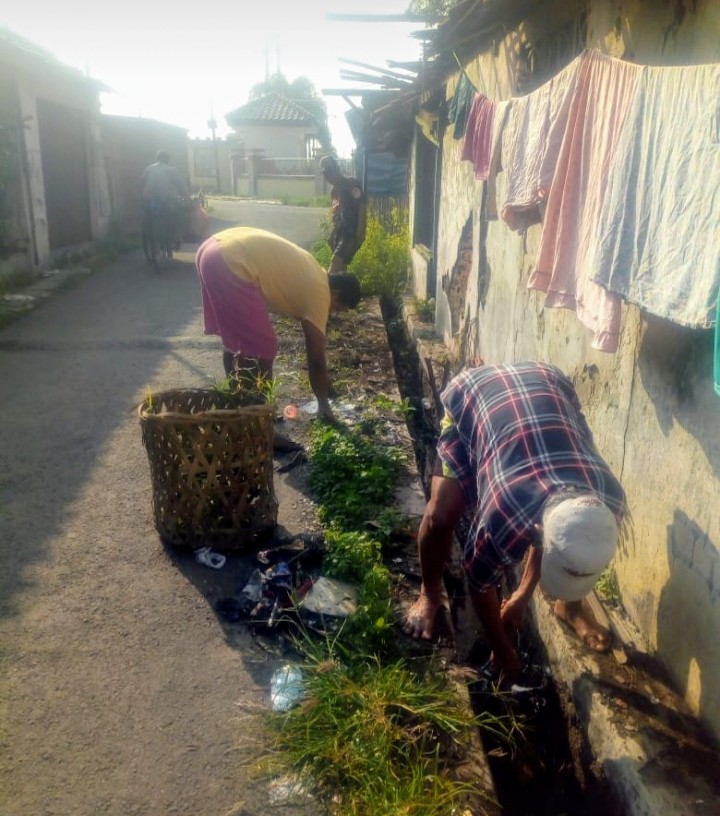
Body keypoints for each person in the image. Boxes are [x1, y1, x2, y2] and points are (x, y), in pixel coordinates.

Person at [404, 361, 627, 683]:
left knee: (576, 541)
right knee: (441, 514)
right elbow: (479, 582)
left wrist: (521, 597)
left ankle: (569, 608)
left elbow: (564, 535)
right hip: (476, 395)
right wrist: (503, 648)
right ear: (536, 531)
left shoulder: (610, 501)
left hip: (551, 392)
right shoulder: (503, 515)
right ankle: (430, 593)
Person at [195, 226, 361, 423]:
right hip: (230, 261)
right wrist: (324, 405)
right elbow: (316, 358)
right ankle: (260, 417)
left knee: (236, 339)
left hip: (211, 249)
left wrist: (328, 387)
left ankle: (238, 405)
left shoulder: (314, 271)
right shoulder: (321, 294)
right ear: (337, 294)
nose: (332, 312)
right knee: (263, 346)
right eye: (338, 308)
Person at [319, 155, 367, 273]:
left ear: (337, 168)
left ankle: (325, 289)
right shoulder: (334, 192)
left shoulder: (352, 183)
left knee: (335, 265)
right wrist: (332, 234)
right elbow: (336, 214)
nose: (329, 177)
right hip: (340, 234)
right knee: (341, 269)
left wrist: (359, 233)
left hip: (350, 233)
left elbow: (362, 206)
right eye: (326, 174)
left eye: (330, 172)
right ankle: (343, 290)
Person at [141, 150, 190, 250]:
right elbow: (181, 186)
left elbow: (142, 182)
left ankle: (154, 239)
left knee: (149, 216)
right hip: (166, 200)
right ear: (168, 160)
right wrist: (187, 198)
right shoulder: (171, 170)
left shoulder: (148, 169)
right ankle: (177, 237)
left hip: (149, 201)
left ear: (157, 159)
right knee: (181, 215)